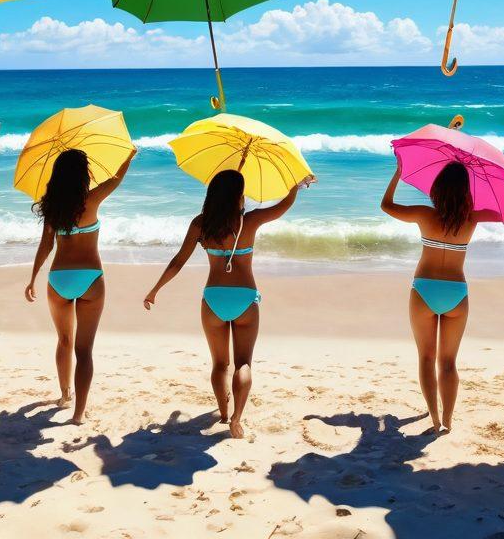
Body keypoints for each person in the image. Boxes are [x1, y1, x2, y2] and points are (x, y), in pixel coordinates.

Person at [144, 170, 311, 439]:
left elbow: (178, 260)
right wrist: (297, 185)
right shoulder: (250, 221)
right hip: (245, 297)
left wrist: (155, 289)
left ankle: (222, 413)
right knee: (243, 362)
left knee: (220, 364)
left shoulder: (201, 224)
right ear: (238, 195)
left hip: (213, 299)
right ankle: (236, 418)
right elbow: (283, 206)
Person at [381, 160, 498, 434]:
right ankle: (448, 420)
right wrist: (477, 190)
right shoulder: (472, 218)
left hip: (424, 290)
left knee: (426, 358)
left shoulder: (424, 214)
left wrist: (399, 172)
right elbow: (500, 213)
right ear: (465, 191)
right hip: (457, 292)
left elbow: (386, 205)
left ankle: (433, 418)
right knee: (448, 362)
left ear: (437, 189)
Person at [25, 148, 135, 425]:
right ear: (83, 173)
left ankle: (64, 395)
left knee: (64, 340)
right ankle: (79, 413)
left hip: (59, 278)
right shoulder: (92, 199)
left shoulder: (52, 207)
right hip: (90, 279)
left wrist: (33, 278)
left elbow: (45, 245)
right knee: (84, 350)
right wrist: (128, 155)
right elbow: (117, 178)